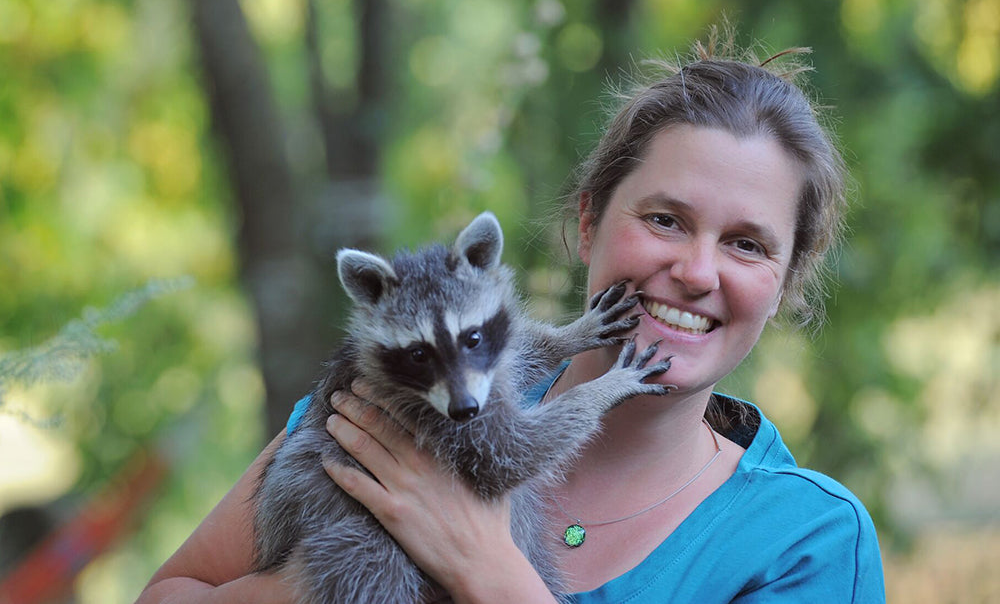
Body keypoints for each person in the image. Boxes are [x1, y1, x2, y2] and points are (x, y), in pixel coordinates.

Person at [138, 30, 885, 603]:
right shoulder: (382, 415)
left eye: (747, 244)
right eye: (664, 219)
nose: (695, 271)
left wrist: (485, 567)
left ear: (786, 283)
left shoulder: (804, 542)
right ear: (588, 222)